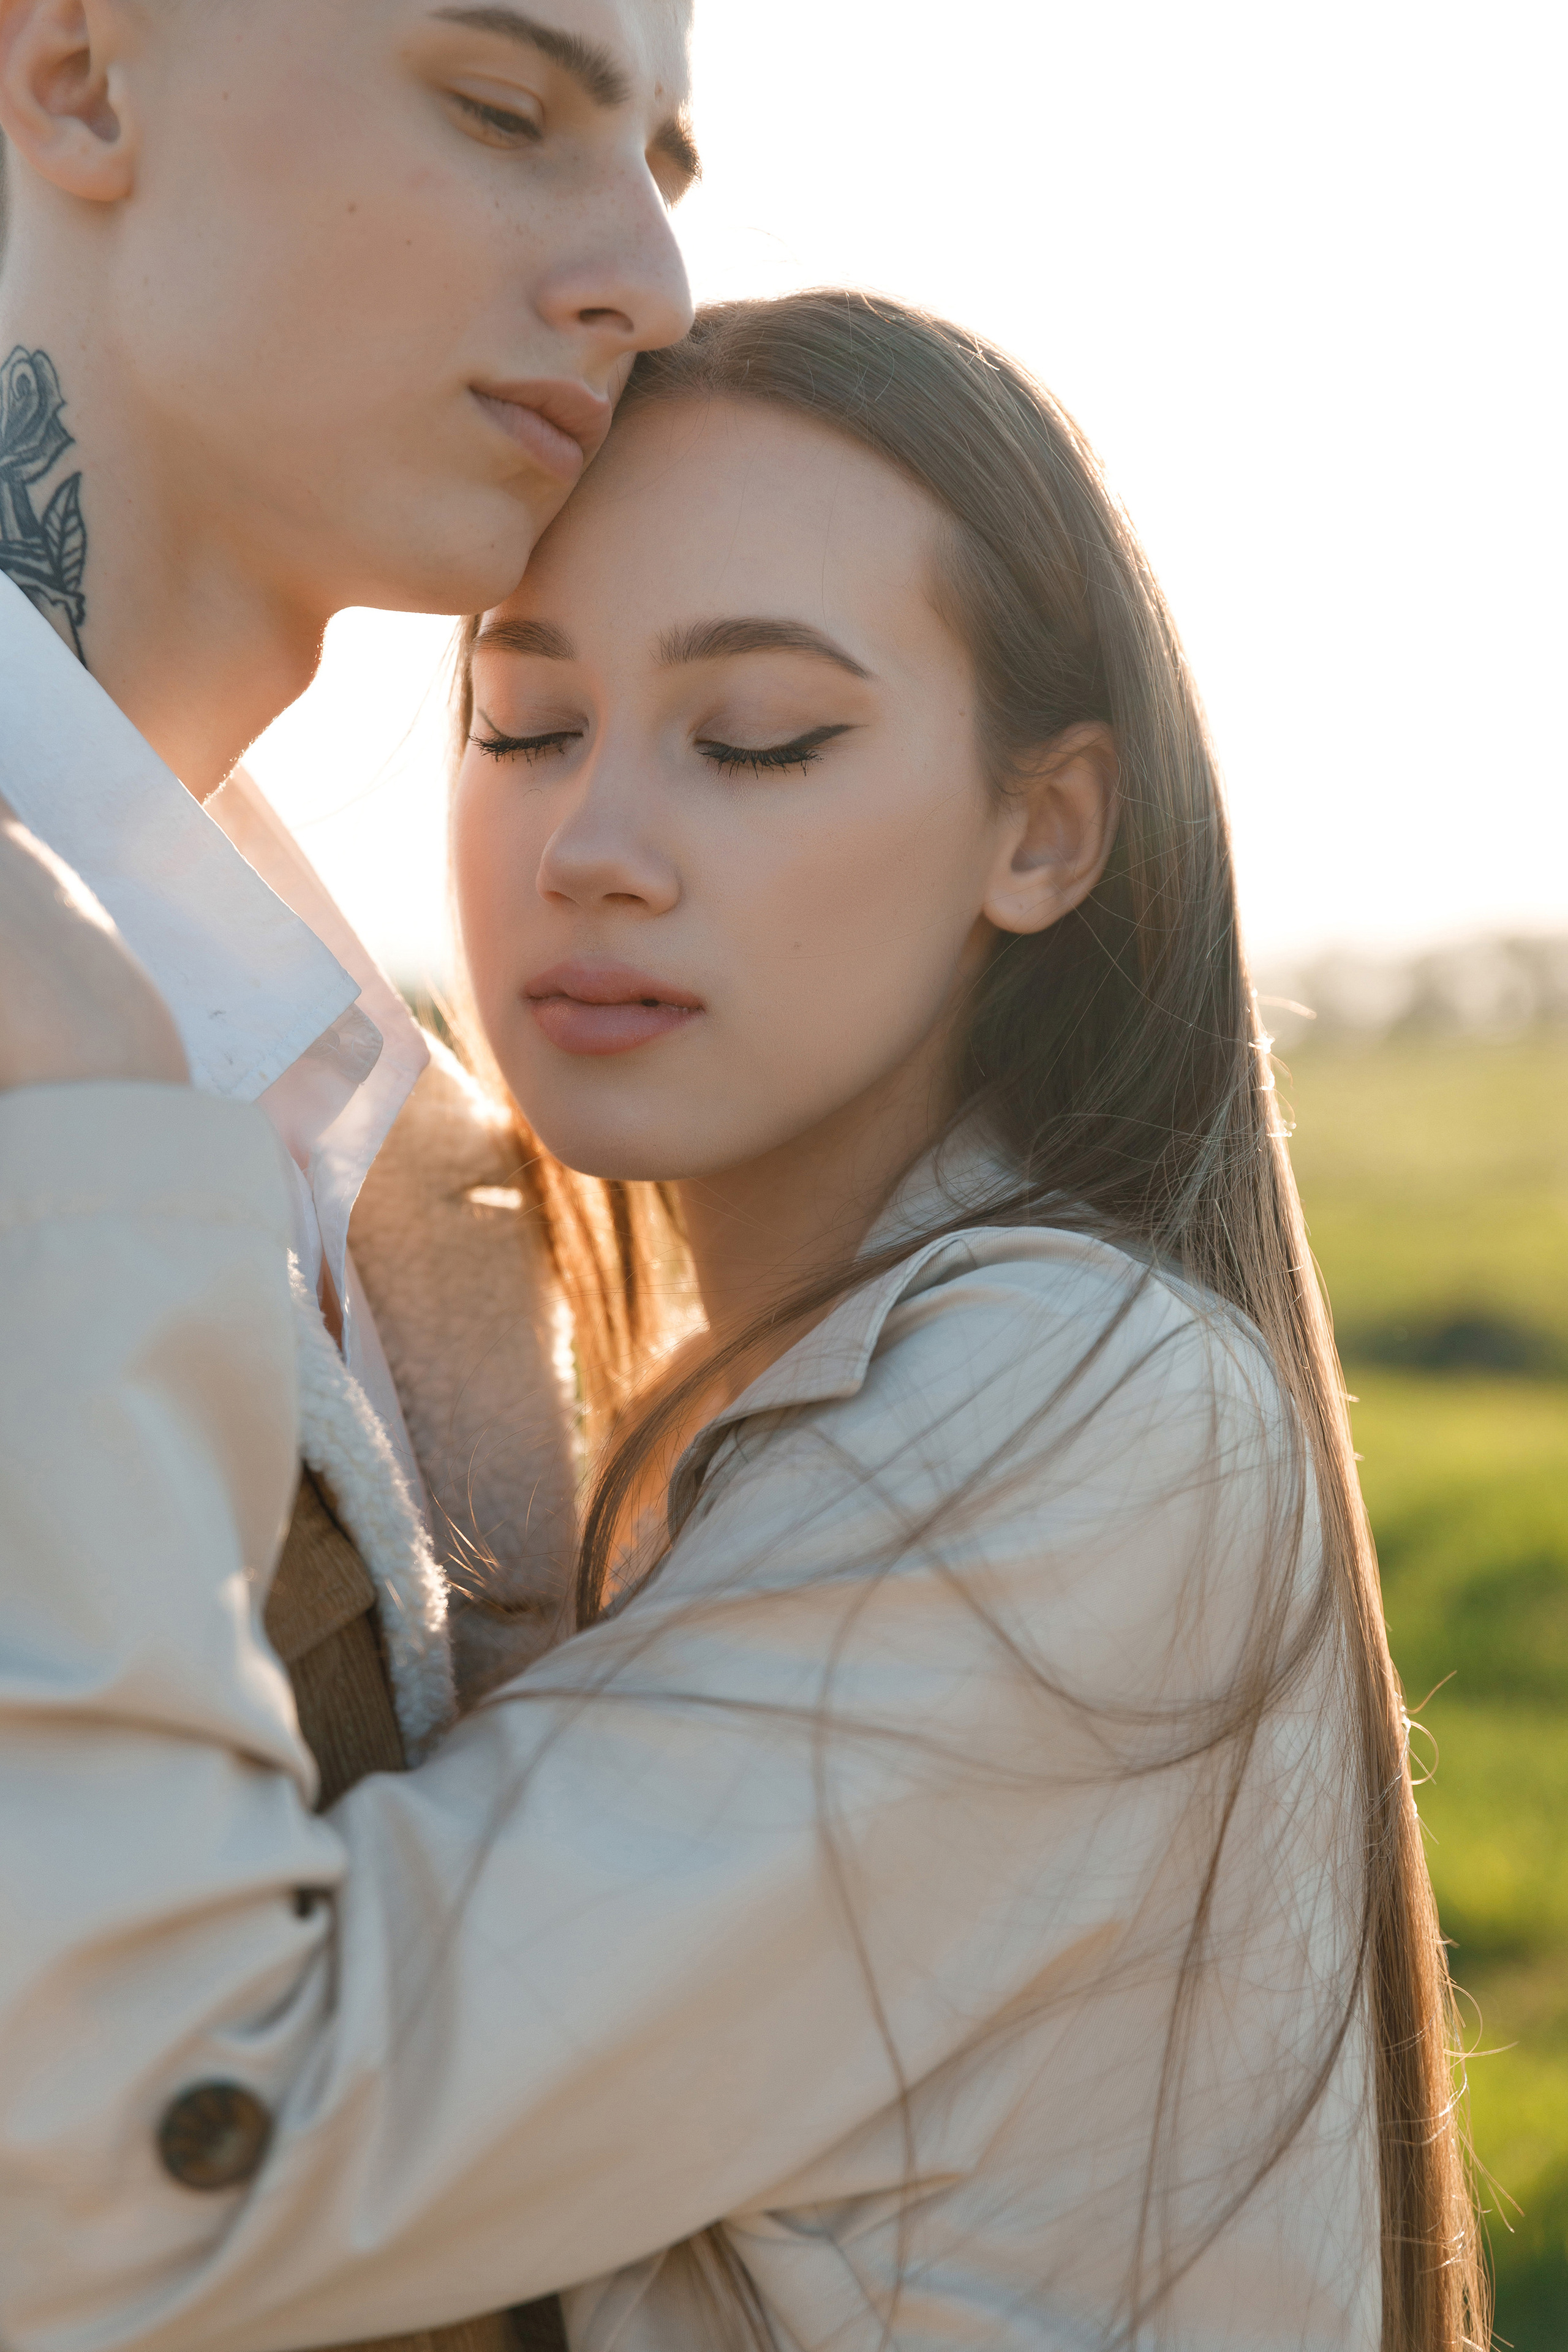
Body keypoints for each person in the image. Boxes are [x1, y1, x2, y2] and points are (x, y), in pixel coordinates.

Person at [0, 291, 1484, 2350]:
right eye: (525, 726)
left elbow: (160, 2155)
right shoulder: (620, 1380)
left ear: (1045, 829)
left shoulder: (1090, 1410)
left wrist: (86, 1110)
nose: (590, 849)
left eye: (760, 737)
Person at [0, 6, 695, 2346]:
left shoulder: (366, 1094)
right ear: (79, 72)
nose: (648, 283)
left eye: (667, 165)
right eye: (505, 108)